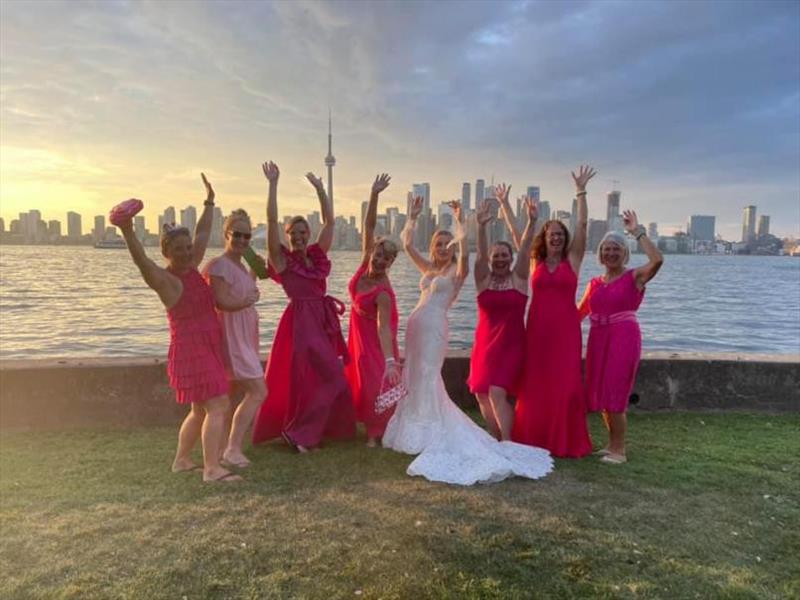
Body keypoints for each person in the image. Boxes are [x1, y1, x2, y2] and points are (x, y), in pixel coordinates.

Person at [382, 196, 552, 485]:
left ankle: (435, 428)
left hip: (435, 328)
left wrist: (462, 222)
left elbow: (466, 255)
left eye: (448, 244)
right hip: (415, 329)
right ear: (433, 245)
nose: (443, 248)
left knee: (428, 375)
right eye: (439, 243)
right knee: (414, 375)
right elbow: (408, 245)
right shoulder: (428, 269)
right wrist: (411, 217)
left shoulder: (457, 272)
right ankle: (412, 428)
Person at [116, 174, 239, 482]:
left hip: (207, 346)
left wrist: (210, 202)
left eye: (187, 247)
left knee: (200, 410)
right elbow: (142, 263)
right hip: (191, 350)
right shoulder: (167, 281)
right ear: (166, 252)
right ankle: (211, 469)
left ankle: (182, 460)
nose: (186, 252)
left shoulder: (193, 266)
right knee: (218, 404)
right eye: (179, 249)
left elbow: (202, 232)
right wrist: (127, 230)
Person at [251, 161, 355, 452]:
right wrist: (273, 185)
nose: (297, 237)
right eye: (292, 233)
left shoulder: (317, 255)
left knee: (326, 378)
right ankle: (299, 433)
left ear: (308, 234)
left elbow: (330, 222)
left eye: (301, 232)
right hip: (301, 322)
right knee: (322, 378)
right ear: (287, 236)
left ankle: (308, 431)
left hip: (322, 321)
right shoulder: (282, 260)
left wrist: (321, 189)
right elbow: (271, 222)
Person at [498, 166, 596, 458]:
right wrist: (505, 205)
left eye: (559, 234)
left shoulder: (573, 259)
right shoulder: (533, 261)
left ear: (564, 239)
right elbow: (518, 234)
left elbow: (582, 225)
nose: (555, 238)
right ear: (545, 237)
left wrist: (580, 191)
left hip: (566, 332)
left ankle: (564, 440)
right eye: (551, 234)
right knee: (536, 385)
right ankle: (534, 437)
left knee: (566, 384)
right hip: (538, 331)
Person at [578, 210, 663, 464]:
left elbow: (657, 260)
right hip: (598, 339)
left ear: (624, 253)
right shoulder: (594, 283)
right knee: (603, 394)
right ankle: (611, 444)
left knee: (616, 392)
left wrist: (637, 232)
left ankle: (620, 450)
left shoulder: (634, 277)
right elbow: (578, 313)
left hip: (623, 338)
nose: (611, 253)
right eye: (606, 249)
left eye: (616, 249)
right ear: (600, 253)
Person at [467, 190, 537, 441]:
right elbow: (481, 255)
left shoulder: (518, 278)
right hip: (484, 344)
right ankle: (495, 437)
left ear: (511, 259)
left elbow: (526, 247)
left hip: (511, 345)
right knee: (481, 393)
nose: (499, 259)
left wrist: (531, 222)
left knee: (497, 392)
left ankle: (508, 442)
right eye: (496, 256)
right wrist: (482, 227)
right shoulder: (483, 279)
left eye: (504, 256)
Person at [203, 209, 266, 468]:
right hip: (231, 336)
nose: (241, 240)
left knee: (232, 395)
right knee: (258, 391)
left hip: (245, 335)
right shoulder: (218, 265)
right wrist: (243, 301)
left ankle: (224, 448)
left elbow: (245, 293)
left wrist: (253, 273)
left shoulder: (241, 265)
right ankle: (232, 448)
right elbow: (221, 301)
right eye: (236, 234)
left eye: (247, 236)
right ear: (226, 234)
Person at [344, 174, 401, 447]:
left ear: (390, 263)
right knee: (357, 378)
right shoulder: (364, 262)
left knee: (372, 382)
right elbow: (368, 225)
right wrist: (374, 192)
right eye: (378, 254)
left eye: (385, 259)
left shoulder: (383, 293)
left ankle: (376, 432)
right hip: (356, 333)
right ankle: (367, 423)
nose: (379, 260)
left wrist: (390, 360)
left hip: (374, 341)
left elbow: (383, 326)